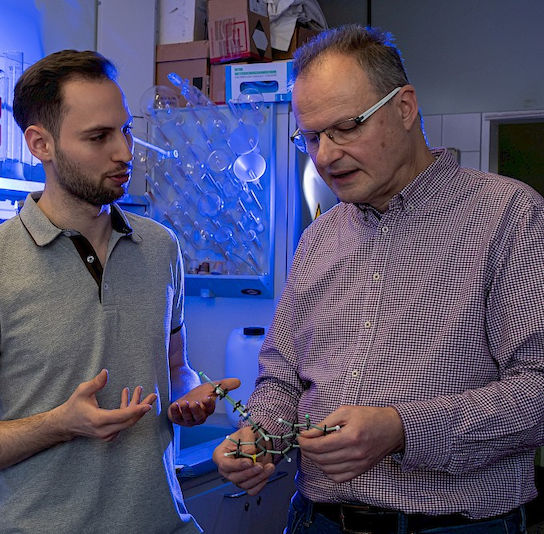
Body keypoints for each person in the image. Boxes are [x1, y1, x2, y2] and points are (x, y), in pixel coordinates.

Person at [213, 24, 544, 534]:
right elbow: (282, 380)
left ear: (405, 108)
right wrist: (262, 438)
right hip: (315, 521)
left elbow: (538, 391)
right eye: (312, 137)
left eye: (346, 127)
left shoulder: (509, 216)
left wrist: (403, 429)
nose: (325, 156)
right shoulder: (318, 239)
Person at [0, 49, 238, 533]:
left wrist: (188, 397)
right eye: (98, 137)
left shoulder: (161, 249)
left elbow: (174, 368)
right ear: (40, 144)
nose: (124, 152)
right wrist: (61, 423)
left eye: (126, 130)